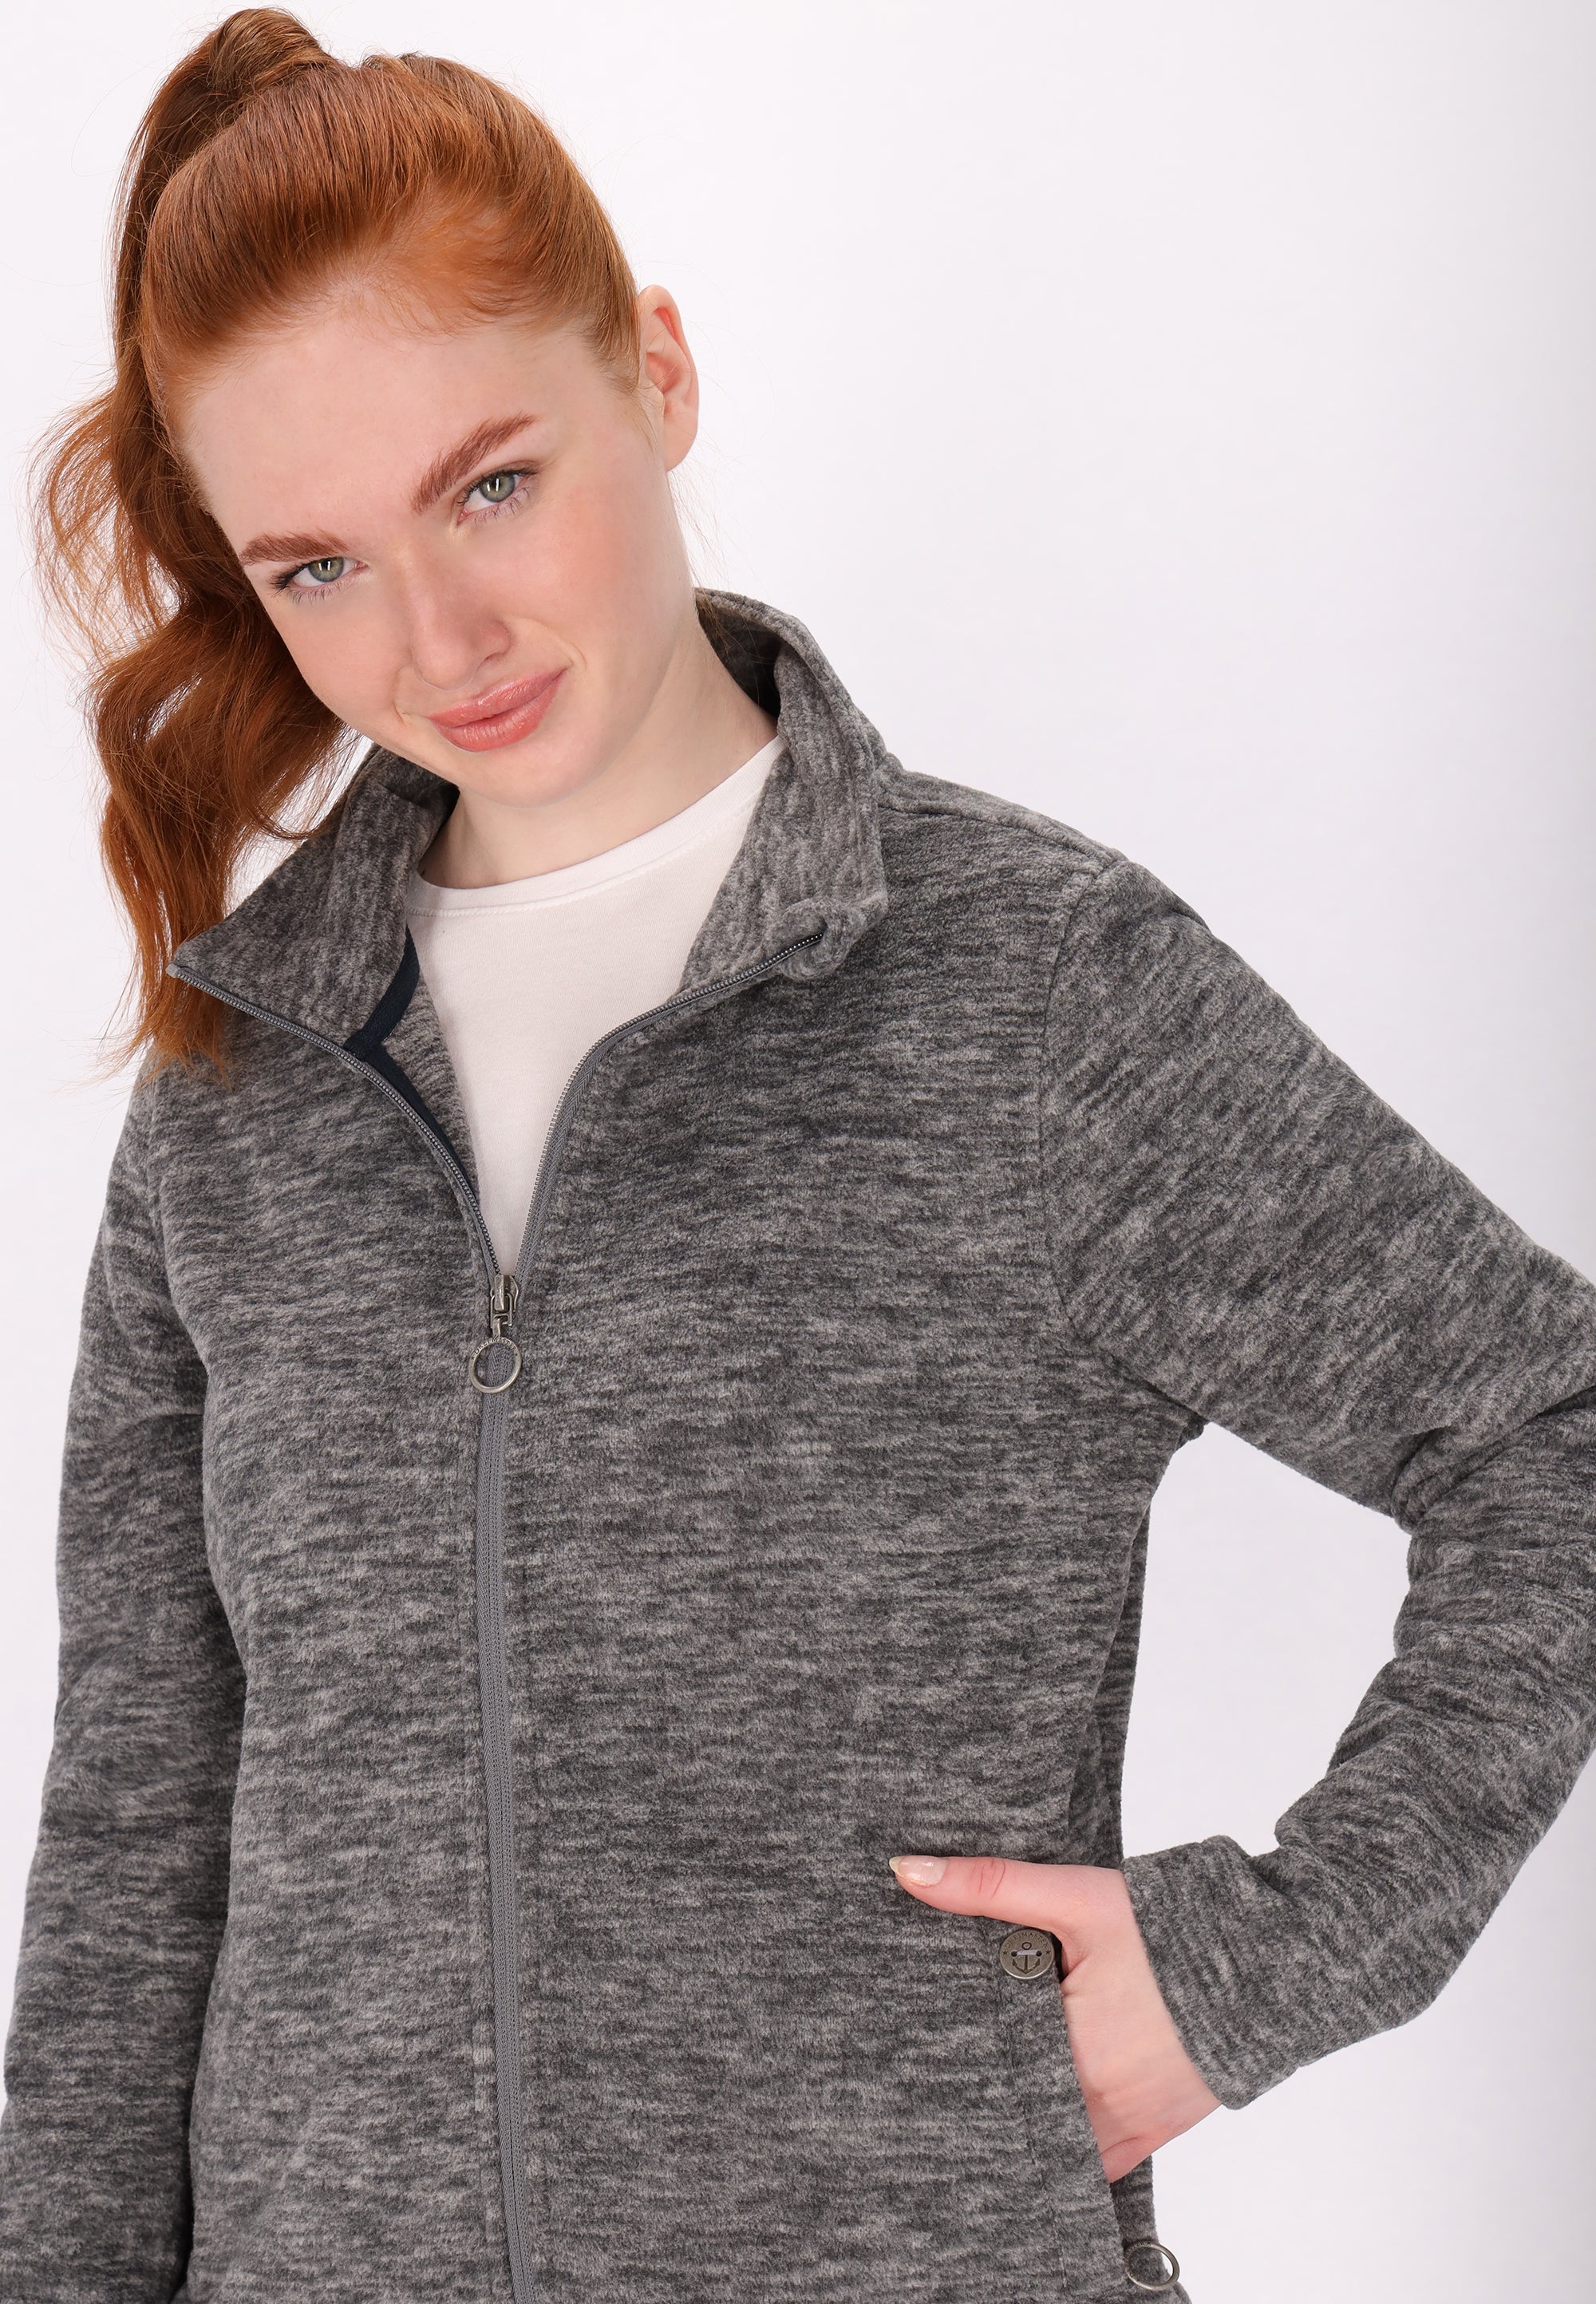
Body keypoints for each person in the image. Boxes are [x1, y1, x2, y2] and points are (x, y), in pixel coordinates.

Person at [2, 10, 1593, 2301]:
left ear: (654, 373)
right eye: (317, 567)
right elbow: (139, 1827)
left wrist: (1257, 1965)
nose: (439, 639)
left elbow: (1552, 1427)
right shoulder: (245, 1087)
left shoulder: (1033, 992)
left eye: (490, 486)